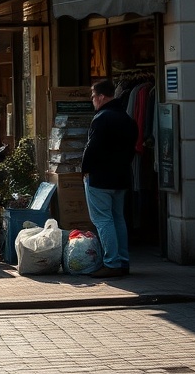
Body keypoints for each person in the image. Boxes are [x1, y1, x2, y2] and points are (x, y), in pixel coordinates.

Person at [82, 78, 138, 278]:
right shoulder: (127, 118)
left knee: (103, 220)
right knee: (118, 219)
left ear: (102, 96)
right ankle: (123, 261)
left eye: (93, 96)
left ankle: (112, 263)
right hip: (121, 176)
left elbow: (92, 148)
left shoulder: (101, 118)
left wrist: (85, 170)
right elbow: (132, 149)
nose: (92, 100)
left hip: (100, 178)